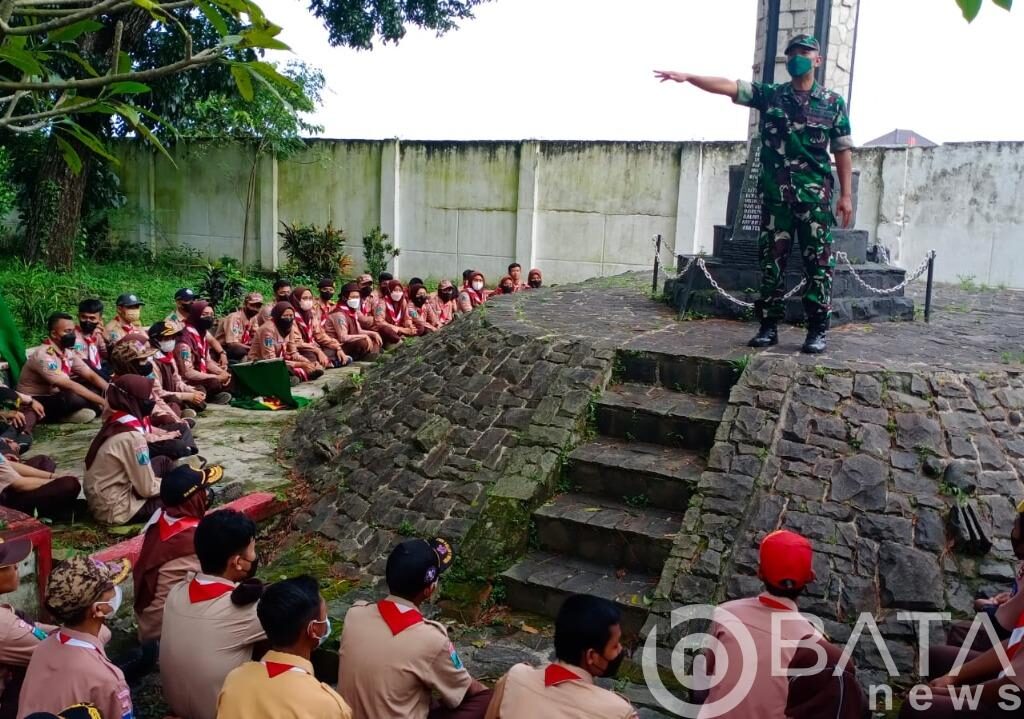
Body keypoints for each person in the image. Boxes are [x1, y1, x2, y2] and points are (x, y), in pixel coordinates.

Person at [655, 34, 853, 354]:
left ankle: (817, 330)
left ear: (818, 60)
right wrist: (689, 78)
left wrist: (846, 196)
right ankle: (768, 326)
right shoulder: (771, 95)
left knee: (818, 265)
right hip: (776, 198)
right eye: (791, 54)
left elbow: (843, 151)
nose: (796, 58)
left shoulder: (832, 103)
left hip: (814, 198)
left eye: (804, 52)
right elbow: (729, 86)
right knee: (771, 264)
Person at [694, 529, 865, 719]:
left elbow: (708, 672)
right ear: (810, 577)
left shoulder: (725, 613)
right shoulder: (812, 644)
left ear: (760, 573)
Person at [338, 538, 492, 719]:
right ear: (429, 589)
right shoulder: (431, 639)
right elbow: (466, 688)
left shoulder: (355, 615)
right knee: (486, 699)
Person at [160, 509, 266, 719]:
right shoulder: (246, 611)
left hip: (178, 708)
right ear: (237, 562)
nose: (254, 557)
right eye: (252, 551)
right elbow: (299, 627)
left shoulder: (176, 593)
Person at [217, 576, 353, 719]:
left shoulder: (235, 680)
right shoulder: (329, 707)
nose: (326, 622)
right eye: (324, 617)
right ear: (313, 630)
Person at [484, 594, 637, 719]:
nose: (620, 650)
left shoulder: (515, 678)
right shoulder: (618, 712)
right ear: (592, 656)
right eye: (615, 645)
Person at [17, 556, 132, 719]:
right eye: (110, 587)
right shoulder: (108, 680)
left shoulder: (43, 647)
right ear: (98, 609)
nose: (115, 589)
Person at [133, 465, 222, 643]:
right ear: (194, 499)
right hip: (166, 636)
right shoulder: (200, 539)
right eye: (204, 490)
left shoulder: (159, 518)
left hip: (147, 624)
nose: (208, 494)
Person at [82, 375, 170, 526]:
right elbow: (147, 489)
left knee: (164, 462)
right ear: (134, 399)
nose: (152, 399)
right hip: (118, 510)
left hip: (108, 496)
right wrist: (175, 484)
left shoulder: (114, 420)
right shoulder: (132, 437)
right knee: (187, 493)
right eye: (147, 396)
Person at [108, 336, 199, 462]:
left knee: (181, 427)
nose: (148, 363)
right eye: (144, 360)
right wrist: (161, 436)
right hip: (133, 442)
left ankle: (187, 453)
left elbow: (157, 400)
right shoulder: (117, 391)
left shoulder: (140, 381)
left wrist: (170, 426)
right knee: (175, 444)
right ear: (130, 364)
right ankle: (182, 454)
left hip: (148, 429)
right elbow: (132, 432)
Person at [16, 313, 106, 426]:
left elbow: (90, 375)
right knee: (73, 397)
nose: (72, 335)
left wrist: (111, 393)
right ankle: (63, 416)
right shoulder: (44, 355)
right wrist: (104, 402)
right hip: (35, 400)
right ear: (54, 333)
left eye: (73, 331)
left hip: (55, 395)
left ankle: (77, 412)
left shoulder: (67, 351)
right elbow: (68, 385)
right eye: (67, 331)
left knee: (95, 390)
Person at [0, 538, 52, 719]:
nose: (17, 568)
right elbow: (56, 652)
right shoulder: (3, 626)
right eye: (8, 565)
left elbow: (25, 627)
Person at [0, 443, 80, 521]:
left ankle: (54, 506)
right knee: (69, 484)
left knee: (43, 460)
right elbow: (19, 484)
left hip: (10, 486)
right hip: (6, 501)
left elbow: (9, 465)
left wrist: (54, 476)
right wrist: (54, 482)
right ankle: (51, 510)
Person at [248, 303, 324, 383]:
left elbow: (293, 353)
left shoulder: (289, 328)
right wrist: (300, 364)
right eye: (285, 316)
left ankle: (296, 375)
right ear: (277, 315)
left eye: (291, 316)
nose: (288, 318)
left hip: (279, 361)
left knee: (309, 366)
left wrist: (308, 363)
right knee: (290, 369)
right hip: (261, 364)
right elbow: (270, 359)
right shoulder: (268, 330)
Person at [175, 301, 233, 402]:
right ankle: (201, 400)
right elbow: (187, 372)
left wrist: (222, 373)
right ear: (195, 315)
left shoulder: (202, 334)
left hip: (201, 373)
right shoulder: (184, 341)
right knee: (212, 383)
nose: (209, 318)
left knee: (229, 375)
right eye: (205, 315)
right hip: (186, 379)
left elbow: (207, 361)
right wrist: (216, 377)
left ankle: (210, 397)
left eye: (211, 315)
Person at [146, 321, 205, 418]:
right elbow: (157, 393)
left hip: (172, 392)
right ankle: (179, 413)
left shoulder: (169, 356)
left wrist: (191, 391)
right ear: (156, 340)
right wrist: (186, 396)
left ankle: (185, 408)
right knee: (174, 402)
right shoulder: (150, 362)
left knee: (199, 390)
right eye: (167, 338)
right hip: (159, 398)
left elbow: (177, 381)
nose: (171, 341)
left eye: (173, 338)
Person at [290, 287, 349, 368]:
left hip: (313, 345)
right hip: (300, 349)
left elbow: (320, 335)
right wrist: (317, 350)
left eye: (310, 298)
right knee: (311, 355)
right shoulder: (290, 316)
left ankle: (325, 363)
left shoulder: (311, 313)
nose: (308, 301)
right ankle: (324, 364)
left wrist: (337, 347)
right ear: (296, 299)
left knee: (333, 350)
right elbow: (297, 343)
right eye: (304, 298)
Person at [326, 284, 382, 361]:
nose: (356, 300)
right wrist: (364, 336)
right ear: (344, 298)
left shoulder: (352, 312)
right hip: (338, 346)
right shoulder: (339, 314)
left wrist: (373, 333)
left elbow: (359, 330)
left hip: (348, 342)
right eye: (353, 297)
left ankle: (372, 356)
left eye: (357, 297)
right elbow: (343, 338)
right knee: (362, 342)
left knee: (375, 337)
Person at [217, 293, 263, 363]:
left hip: (242, 345)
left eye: (258, 306)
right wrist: (251, 348)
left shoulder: (253, 318)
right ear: (245, 304)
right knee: (240, 351)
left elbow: (256, 335)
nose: (255, 309)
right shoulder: (234, 318)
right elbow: (232, 343)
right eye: (252, 305)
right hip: (224, 348)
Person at [73, 299, 108, 380]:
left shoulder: (98, 333)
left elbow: (106, 355)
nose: (87, 321)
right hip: (81, 375)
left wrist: (107, 339)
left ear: (99, 319)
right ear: (78, 316)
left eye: (92, 318)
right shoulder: (73, 336)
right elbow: (83, 362)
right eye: (83, 317)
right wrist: (107, 379)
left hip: (99, 369)